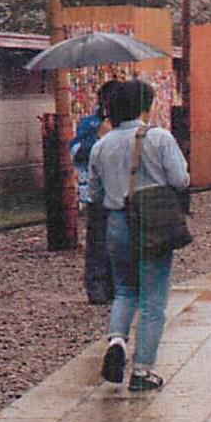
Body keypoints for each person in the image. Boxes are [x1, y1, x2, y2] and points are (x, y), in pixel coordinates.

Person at [88, 79, 190, 393]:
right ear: (144, 106)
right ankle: (142, 370)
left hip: (116, 222)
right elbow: (180, 179)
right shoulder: (159, 137)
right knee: (152, 300)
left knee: (124, 290)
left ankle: (117, 340)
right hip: (152, 222)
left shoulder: (101, 145)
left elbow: (94, 194)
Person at [70, 79, 118, 304]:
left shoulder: (129, 127)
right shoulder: (89, 124)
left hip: (123, 190)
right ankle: (97, 286)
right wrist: (98, 137)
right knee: (98, 240)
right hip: (98, 192)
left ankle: (119, 285)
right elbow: (75, 151)